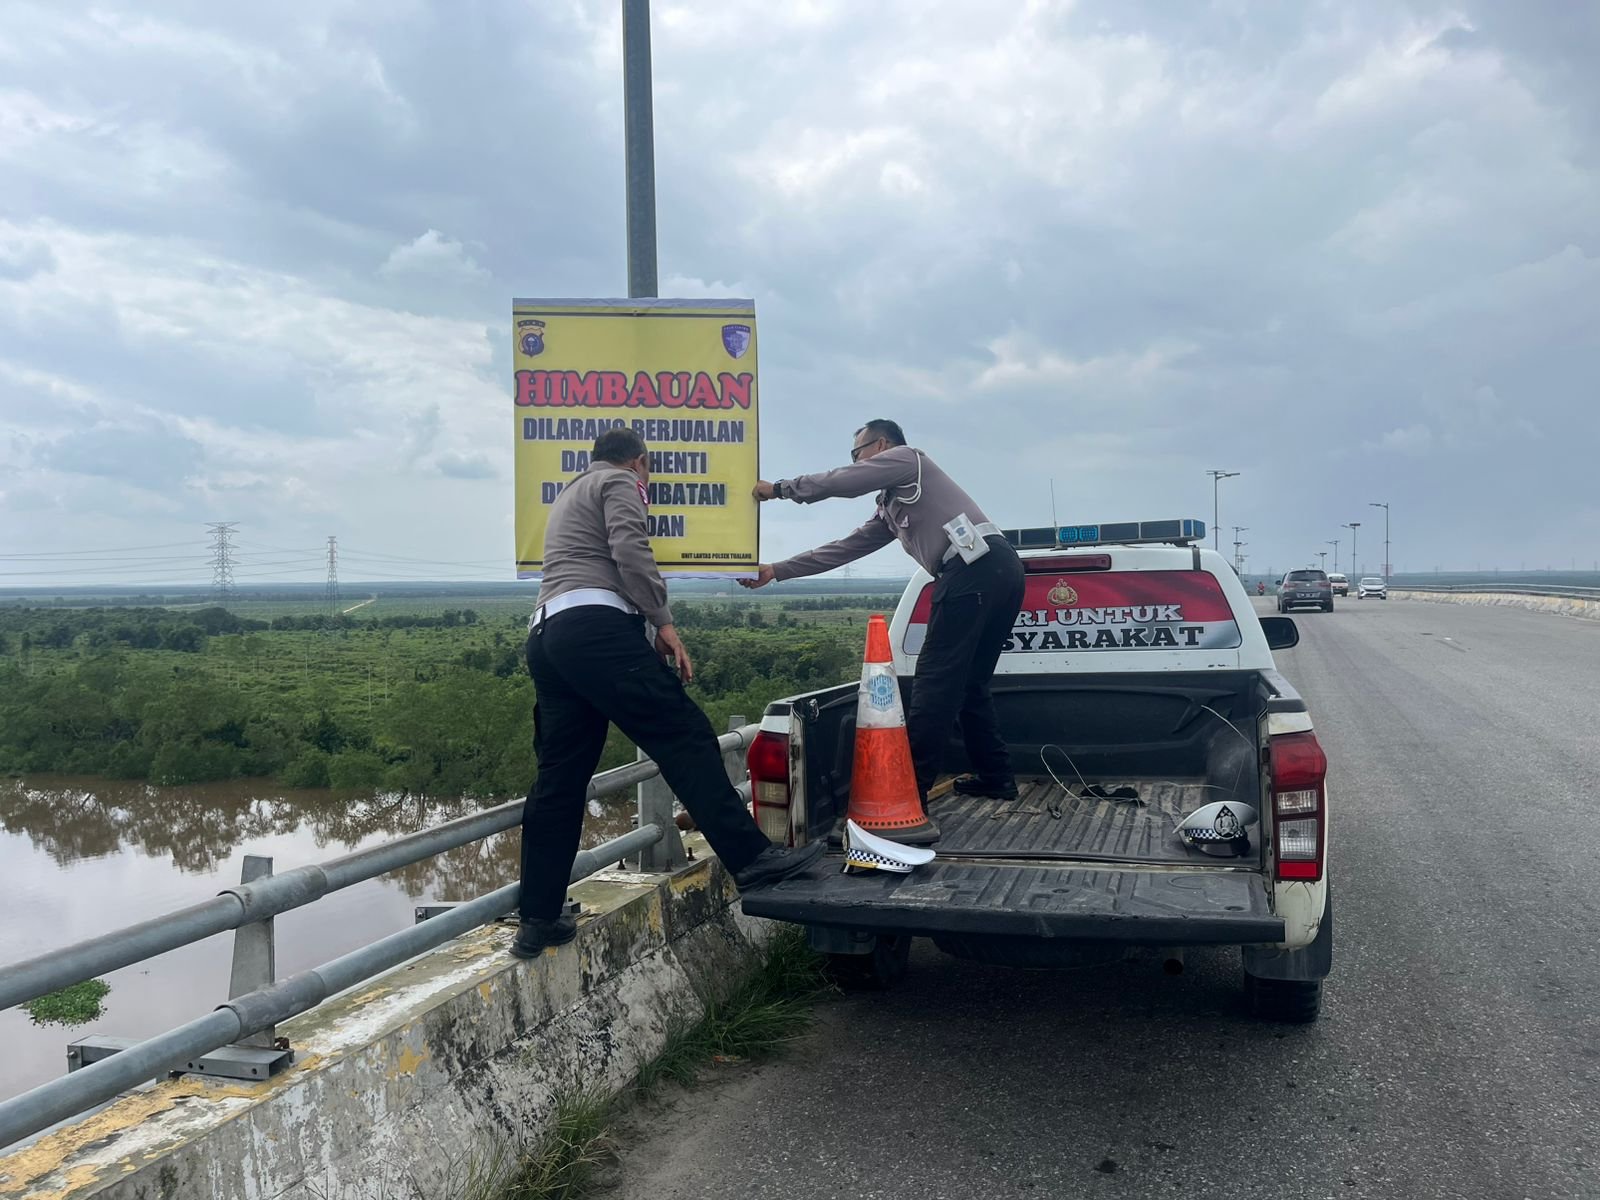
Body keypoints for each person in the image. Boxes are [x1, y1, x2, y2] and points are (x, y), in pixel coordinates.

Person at [514, 428, 824, 959]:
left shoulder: (571, 491)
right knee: (686, 736)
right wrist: (663, 621)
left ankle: (538, 917)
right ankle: (751, 859)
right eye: (649, 472)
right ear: (641, 462)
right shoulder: (620, 482)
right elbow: (630, 551)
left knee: (560, 781)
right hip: (595, 630)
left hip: (547, 637)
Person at [743, 419, 1026, 825]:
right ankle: (996, 776)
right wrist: (777, 570)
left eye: (857, 453)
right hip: (997, 570)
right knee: (970, 683)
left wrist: (782, 490)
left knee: (934, 682)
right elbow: (842, 550)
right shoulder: (891, 507)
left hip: (973, 571)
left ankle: (911, 796)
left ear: (879, 446)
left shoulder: (908, 460)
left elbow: (846, 480)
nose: (856, 462)